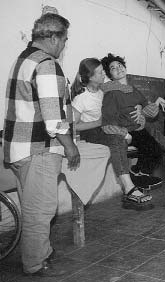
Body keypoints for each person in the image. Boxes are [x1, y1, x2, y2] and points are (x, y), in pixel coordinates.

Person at [3, 13, 79, 276]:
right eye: (64, 40)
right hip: (39, 150)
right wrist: (70, 146)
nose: (64, 46)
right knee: (41, 210)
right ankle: (34, 264)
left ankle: (41, 252)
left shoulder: (22, 59)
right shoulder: (46, 64)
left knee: (33, 205)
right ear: (54, 37)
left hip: (19, 148)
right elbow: (53, 117)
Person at [100, 54, 165, 198]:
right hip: (126, 131)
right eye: (113, 68)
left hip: (138, 128)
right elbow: (108, 120)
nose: (118, 69)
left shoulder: (132, 89)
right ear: (109, 74)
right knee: (154, 145)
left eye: (120, 65)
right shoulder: (111, 92)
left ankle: (139, 173)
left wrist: (156, 102)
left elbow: (149, 113)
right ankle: (135, 178)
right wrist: (124, 133)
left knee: (156, 147)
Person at [71, 58, 163, 209]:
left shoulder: (106, 89)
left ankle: (137, 177)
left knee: (148, 139)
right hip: (92, 132)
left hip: (111, 128)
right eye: (100, 73)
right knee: (117, 138)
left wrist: (139, 107)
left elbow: (131, 94)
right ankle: (129, 189)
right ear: (90, 77)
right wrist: (99, 122)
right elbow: (73, 126)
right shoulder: (81, 98)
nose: (104, 75)